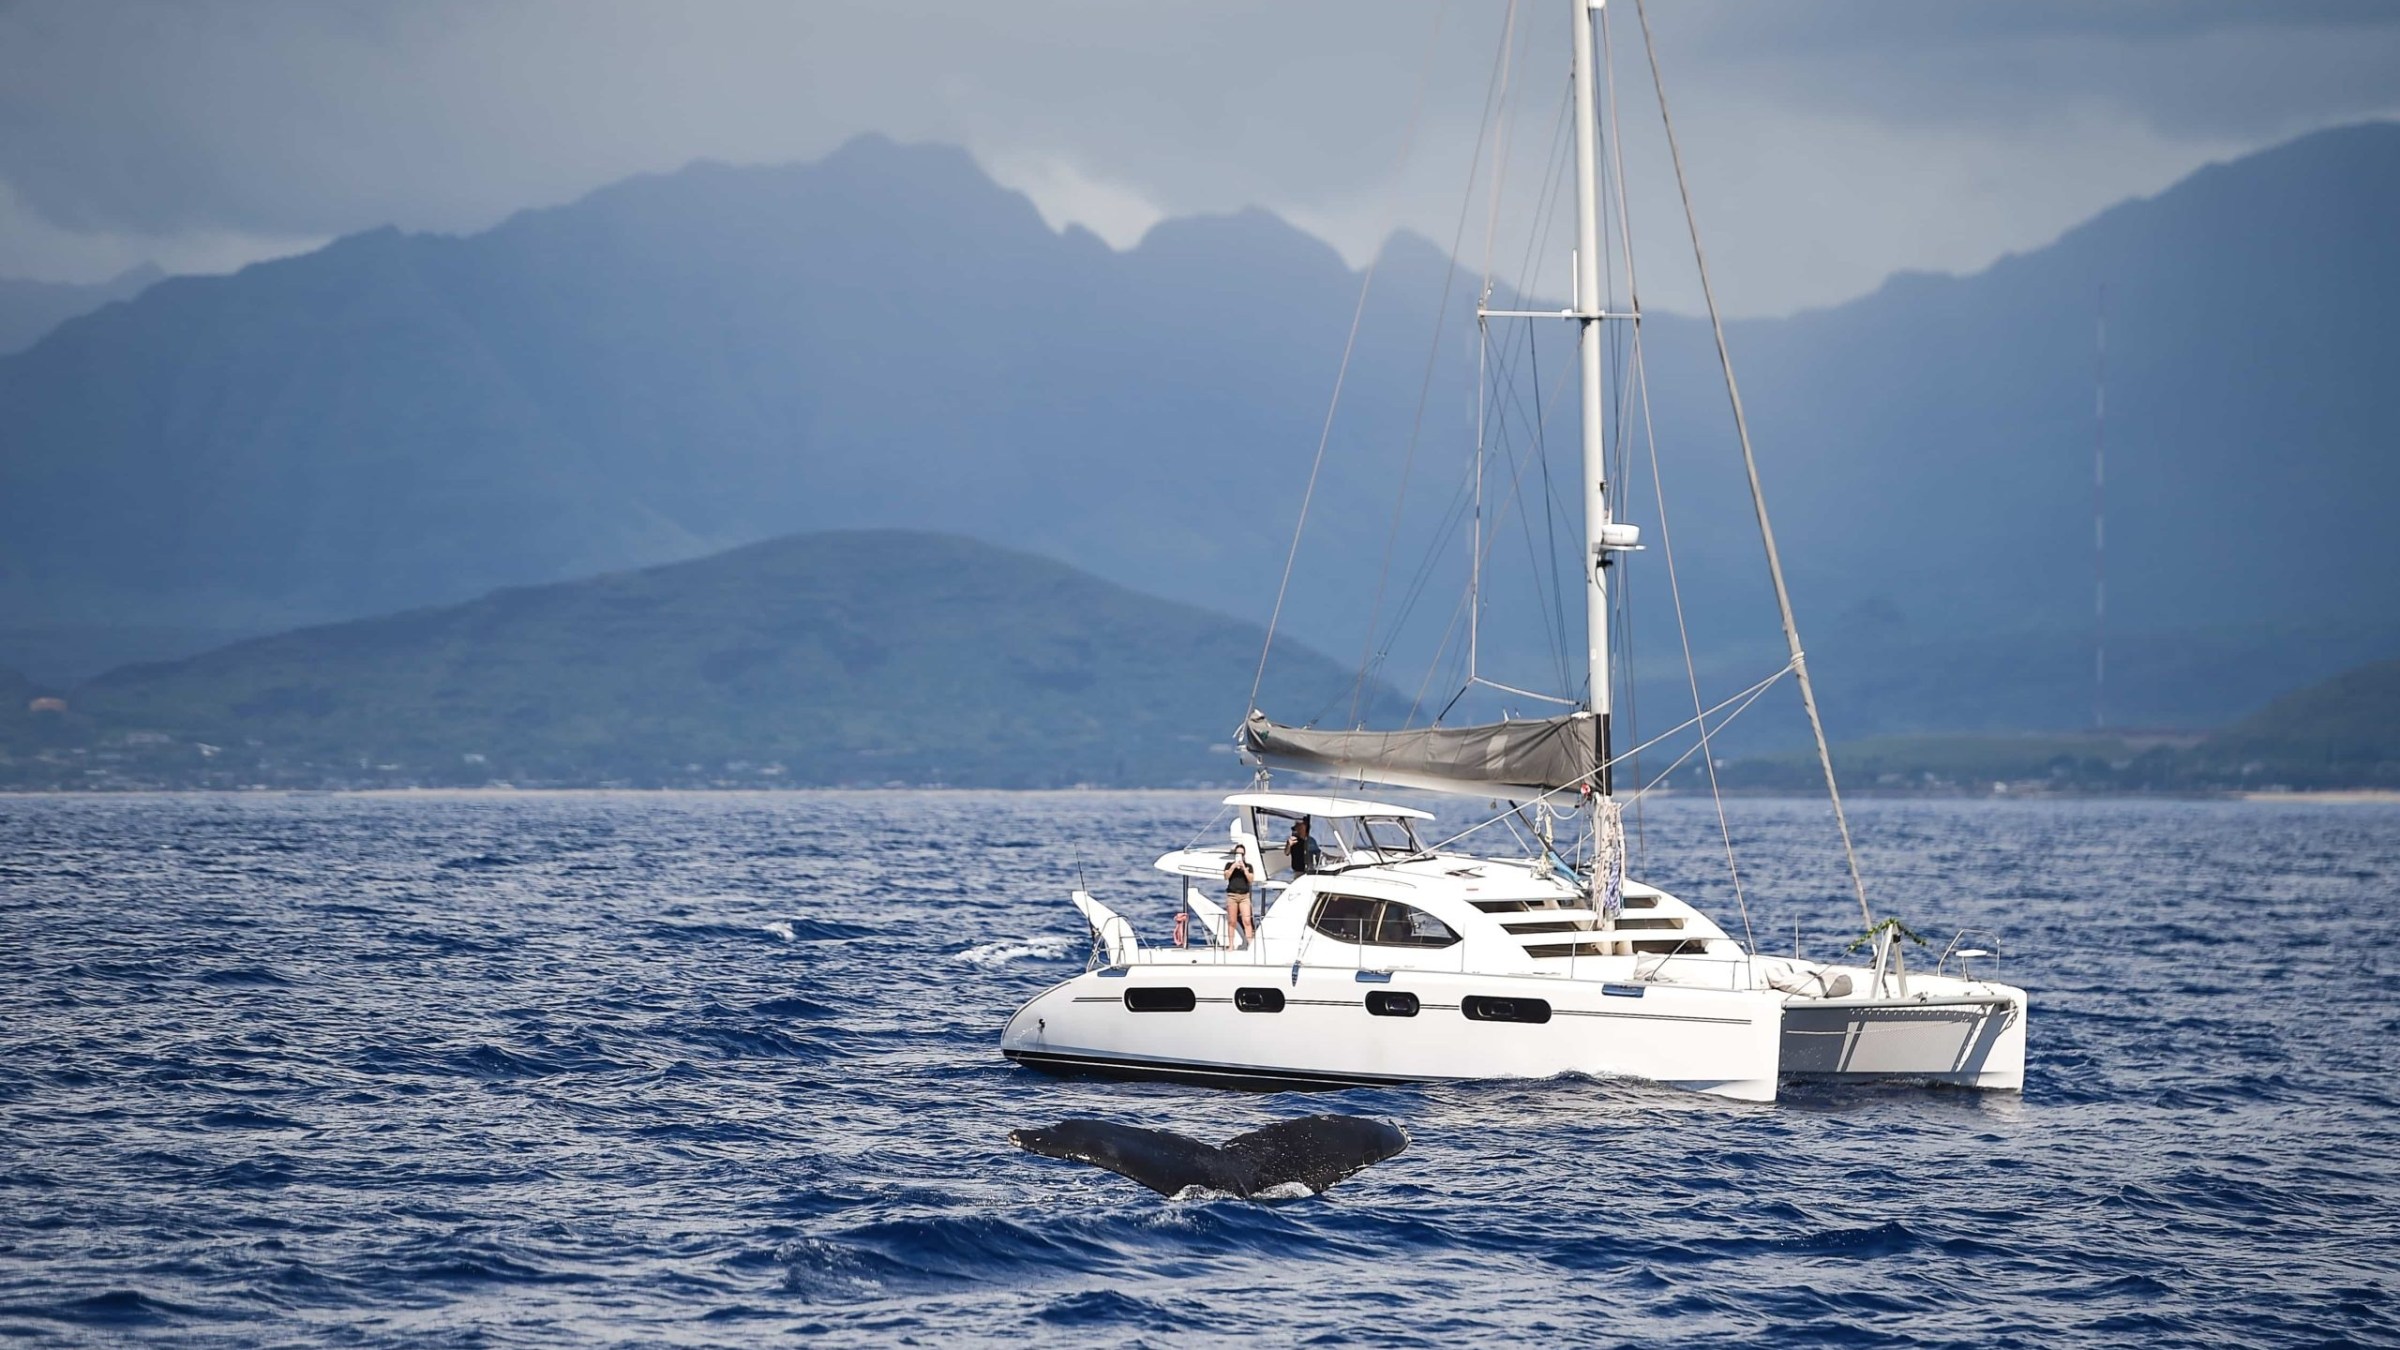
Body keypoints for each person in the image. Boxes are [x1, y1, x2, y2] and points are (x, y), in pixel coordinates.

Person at [1223, 845, 1258, 950]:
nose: (1239, 856)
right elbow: (1226, 876)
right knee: (1232, 921)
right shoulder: (1229, 865)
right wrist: (1233, 867)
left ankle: (1250, 944)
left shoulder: (1248, 866)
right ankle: (1231, 945)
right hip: (1232, 896)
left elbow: (1251, 879)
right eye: (1237, 853)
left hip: (1244, 896)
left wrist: (1244, 869)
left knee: (1247, 920)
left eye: (1241, 854)